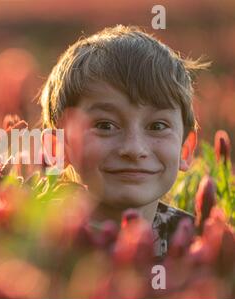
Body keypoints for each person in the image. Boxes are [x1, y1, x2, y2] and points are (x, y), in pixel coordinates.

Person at [39, 25, 210, 258]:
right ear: (57, 148)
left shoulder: (200, 244)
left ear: (186, 148)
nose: (133, 148)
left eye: (157, 126)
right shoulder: (35, 241)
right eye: (105, 126)